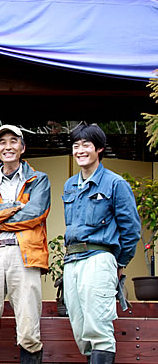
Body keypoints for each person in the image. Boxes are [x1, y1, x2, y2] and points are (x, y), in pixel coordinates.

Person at [0, 125, 51, 364]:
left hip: (25, 255)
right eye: (2, 142)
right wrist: (16, 207)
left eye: (13, 141)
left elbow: (35, 214)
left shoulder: (39, 179)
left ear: (22, 147)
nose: (8, 146)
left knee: (29, 332)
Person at [62, 124, 140, 364]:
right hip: (72, 260)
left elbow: (131, 229)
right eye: (76, 146)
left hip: (99, 258)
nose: (80, 150)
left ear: (99, 149)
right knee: (80, 328)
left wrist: (120, 262)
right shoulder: (69, 185)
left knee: (98, 327)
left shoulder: (115, 184)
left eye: (86, 145)